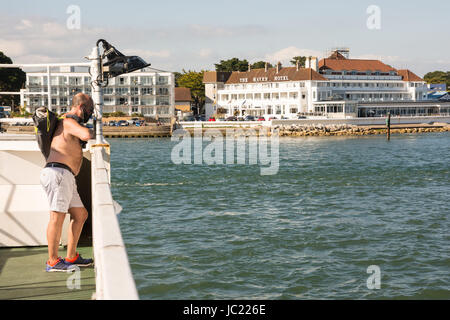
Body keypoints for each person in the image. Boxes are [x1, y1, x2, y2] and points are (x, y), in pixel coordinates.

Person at [40, 93, 95, 272]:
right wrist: (98, 129)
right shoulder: (68, 122)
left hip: (66, 175)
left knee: (80, 215)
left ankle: (71, 256)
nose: (90, 113)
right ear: (80, 107)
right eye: (89, 110)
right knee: (57, 217)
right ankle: (53, 261)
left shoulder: (68, 122)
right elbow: (86, 134)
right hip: (58, 173)